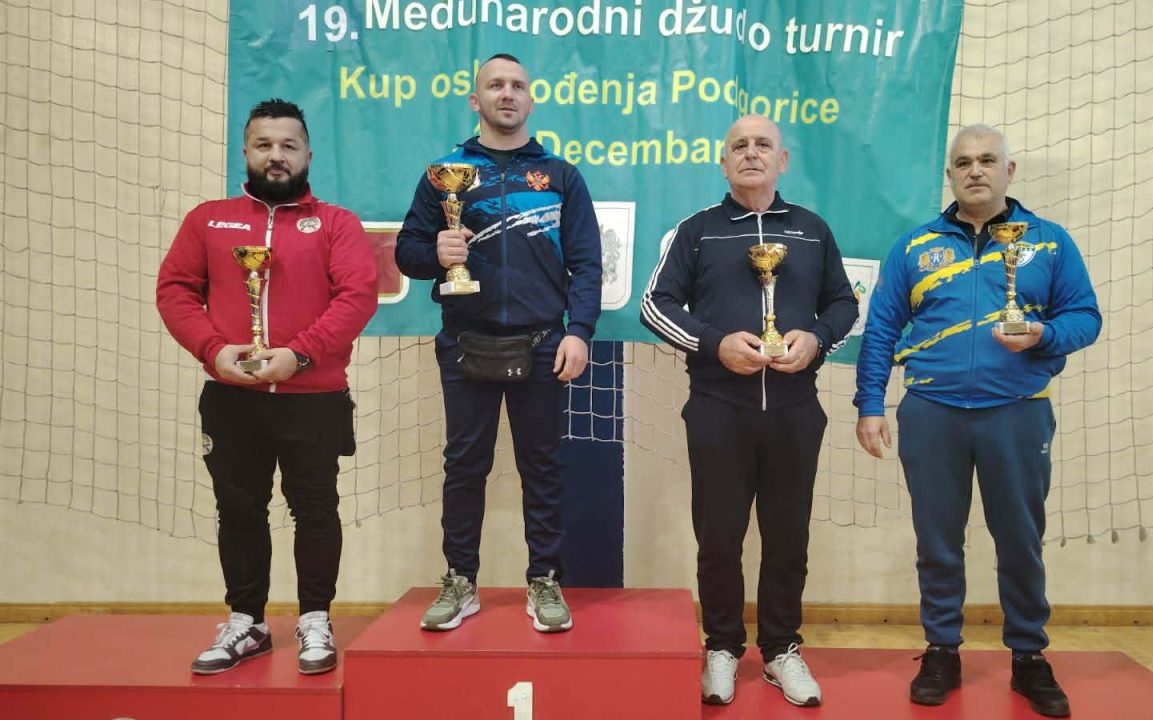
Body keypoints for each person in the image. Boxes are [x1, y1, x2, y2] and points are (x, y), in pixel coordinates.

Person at [854, 124, 1101, 717]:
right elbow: (881, 329)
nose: (975, 170)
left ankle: (1029, 656)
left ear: (1008, 171)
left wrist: (1043, 335)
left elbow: (1086, 317)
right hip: (931, 412)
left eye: (987, 160)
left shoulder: (1049, 242)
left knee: (1020, 539)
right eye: (963, 162)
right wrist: (870, 404)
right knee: (938, 541)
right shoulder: (914, 247)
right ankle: (942, 650)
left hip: (1017, 413)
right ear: (950, 175)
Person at [641, 115, 857, 707]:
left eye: (764, 145)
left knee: (788, 537)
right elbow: (654, 305)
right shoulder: (697, 231)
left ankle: (782, 649)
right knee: (718, 538)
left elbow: (843, 303)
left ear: (782, 161)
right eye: (739, 145)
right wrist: (715, 345)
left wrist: (816, 339)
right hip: (718, 410)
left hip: (795, 410)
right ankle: (722, 647)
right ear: (724, 161)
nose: (751, 153)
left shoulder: (812, 230)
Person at [157, 99, 378, 675]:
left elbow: (358, 296)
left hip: (315, 399)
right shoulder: (209, 220)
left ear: (308, 154)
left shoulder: (336, 224)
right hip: (232, 398)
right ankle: (247, 622)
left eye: (288, 145)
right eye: (264, 145)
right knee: (238, 508)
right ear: (246, 152)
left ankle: (315, 619)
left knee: (316, 508)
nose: (276, 156)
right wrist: (213, 349)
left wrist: (299, 355)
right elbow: (176, 290)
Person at [395, 54, 602, 634]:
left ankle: (545, 579)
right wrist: (436, 253)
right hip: (465, 344)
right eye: (495, 85)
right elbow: (407, 252)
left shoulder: (560, 176)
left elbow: (587, 263)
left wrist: (579, 331)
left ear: (530, 100)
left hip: (543, 344)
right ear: (475, 99)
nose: (507, 94)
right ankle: (460, 580)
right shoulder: (444, 174)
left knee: (543, 467)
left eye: (517, 86)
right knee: (464, 467)